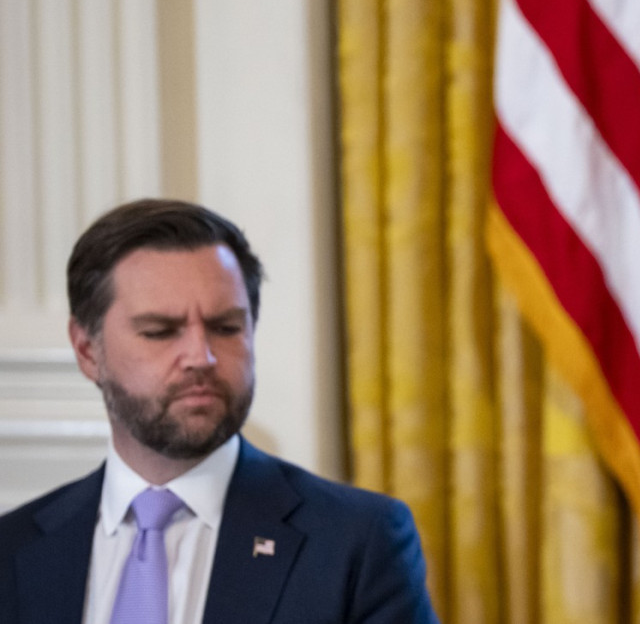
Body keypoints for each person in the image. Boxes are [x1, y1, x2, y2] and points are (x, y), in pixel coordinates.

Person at [0, 199, 438, 623]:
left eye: (226, 328)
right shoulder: (12, 550)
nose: (201, 356)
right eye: (160, 331)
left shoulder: (357, 542)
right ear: (86, 350)